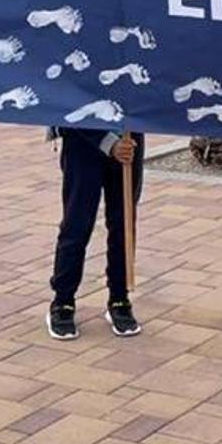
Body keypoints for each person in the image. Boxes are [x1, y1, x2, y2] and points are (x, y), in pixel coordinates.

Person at [46, 126, 144, 339]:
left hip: (128, 135)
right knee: (77, 223)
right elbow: (69, 100)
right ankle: (63, 301)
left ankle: (119, 299)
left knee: (123, 222)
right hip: (82, 139)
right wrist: (109, 143)